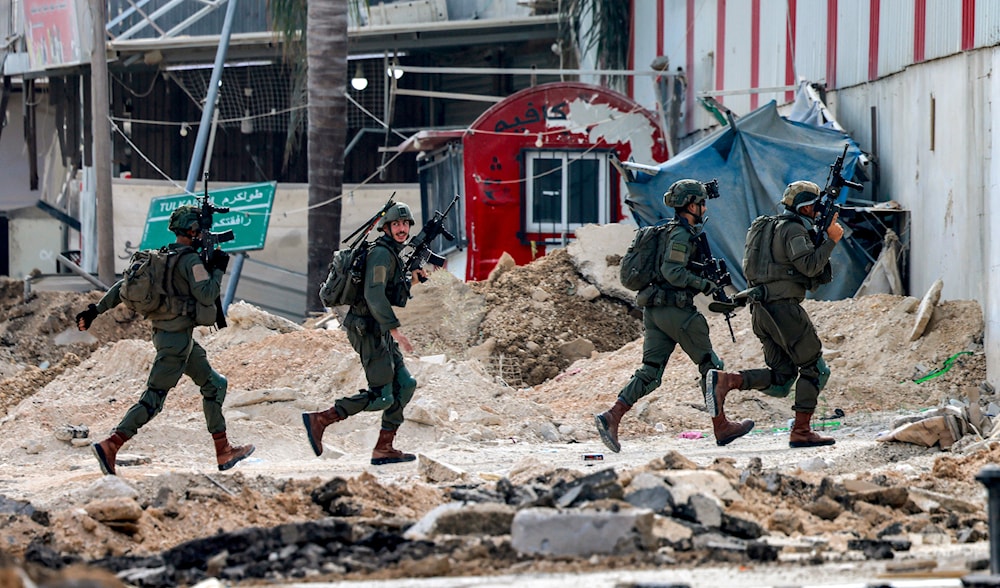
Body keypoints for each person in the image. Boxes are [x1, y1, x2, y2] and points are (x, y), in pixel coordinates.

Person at [75, 205, 255, 475]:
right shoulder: (191, 262)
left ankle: (223, 451)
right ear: (192, 231)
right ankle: (112, 444)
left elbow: (121, 288)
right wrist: (217, 269)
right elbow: (207, 295)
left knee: (214, 385)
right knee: (153, 399)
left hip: (171, 337)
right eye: (199, 231)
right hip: (176, 343)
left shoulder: (160, 256)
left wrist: (95, 310)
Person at [595, 179, 754, 453]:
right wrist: (706, 285)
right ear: (691, 205)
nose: (704, 208)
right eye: (701, 203)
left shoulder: (667, 232)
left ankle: (612, 416)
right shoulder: (681, 235)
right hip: (676, 311)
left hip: (655, 312)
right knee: (711, 367)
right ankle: (722, 426)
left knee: (651, 372)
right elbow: (673, 273)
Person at [705, 180, 843, 448]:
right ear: (804, 209)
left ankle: (727, 381)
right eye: (814, 207)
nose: (816, 211)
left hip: (760, 310)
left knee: (781, 378)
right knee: (814, 368)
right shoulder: (792, 231)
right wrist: (831, 240)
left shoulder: (766, 226)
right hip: (784, 309)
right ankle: (802, 431)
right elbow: (811, 266)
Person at [302, 202, 426, 465]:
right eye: (396, 224)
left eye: (405, 224)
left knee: (405, 385)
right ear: (386, 227)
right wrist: (395, 330)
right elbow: (373, 295)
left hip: (378, 329)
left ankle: (384, 447)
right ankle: (321, 419)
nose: (402, 229)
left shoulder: (391, 253)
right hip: (367, 330)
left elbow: (390, 294)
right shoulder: (381, 254)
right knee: (382, 395)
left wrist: (412, 280)